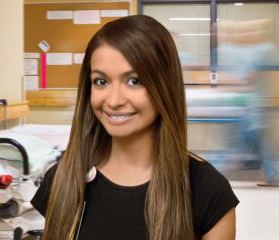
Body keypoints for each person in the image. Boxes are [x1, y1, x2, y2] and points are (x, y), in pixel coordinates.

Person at [31, 15, 239, 240]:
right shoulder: (64, 179)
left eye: (134, 81)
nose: (114, 100)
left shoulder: (207, 189)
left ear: (164, 86)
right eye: (101, 82)